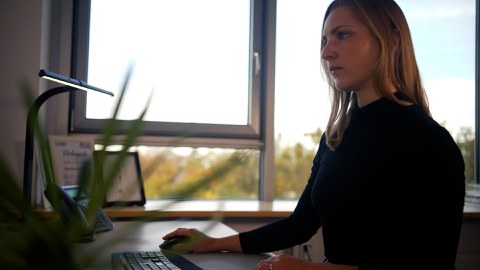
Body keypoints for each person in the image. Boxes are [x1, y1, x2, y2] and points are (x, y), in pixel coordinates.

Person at [161, 0, 466, 269]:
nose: (325, 52)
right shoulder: (337, 135)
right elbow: (299, 225)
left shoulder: (430, 143)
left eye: (342, 35)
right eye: (324, 39)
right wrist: (211, 242)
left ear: (391, 39)